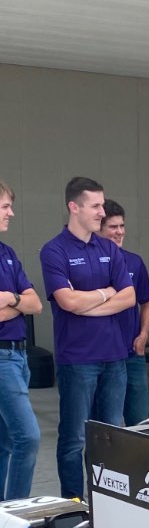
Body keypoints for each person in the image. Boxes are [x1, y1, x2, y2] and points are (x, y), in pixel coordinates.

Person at [40, 176, 135, 500]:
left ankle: (107, 501)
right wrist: (105, 293)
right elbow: (66, 302)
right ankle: (73, 504)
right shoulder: (54, 251)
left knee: (110, 438)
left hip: (114, 358)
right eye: (95, 205)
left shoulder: (108, 247)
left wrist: (88, 303)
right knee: (74, 439)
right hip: (78, 361)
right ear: (74, 207)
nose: (101, 211)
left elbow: (129, 296)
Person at [0, 182, 43, 500]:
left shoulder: (8, 254)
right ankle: (15, 513)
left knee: (4, 441)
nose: (11, 213)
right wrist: (19, 304)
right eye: (5, 207)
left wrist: (9, 298)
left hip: (19, 357)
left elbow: (35, 305)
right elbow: (24, 306)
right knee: (28, 437)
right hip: (2, 361)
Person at [99, 199, 149, 425]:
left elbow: (147, 302)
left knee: (138, 419)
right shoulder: (93, 264)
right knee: (107, 421)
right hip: (102, 354)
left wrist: (144, 335)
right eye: (113, 227)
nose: (119, 232)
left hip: (132, 353)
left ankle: (139, 461)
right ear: (99, 229)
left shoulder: (135, 262)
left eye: (122, 226)